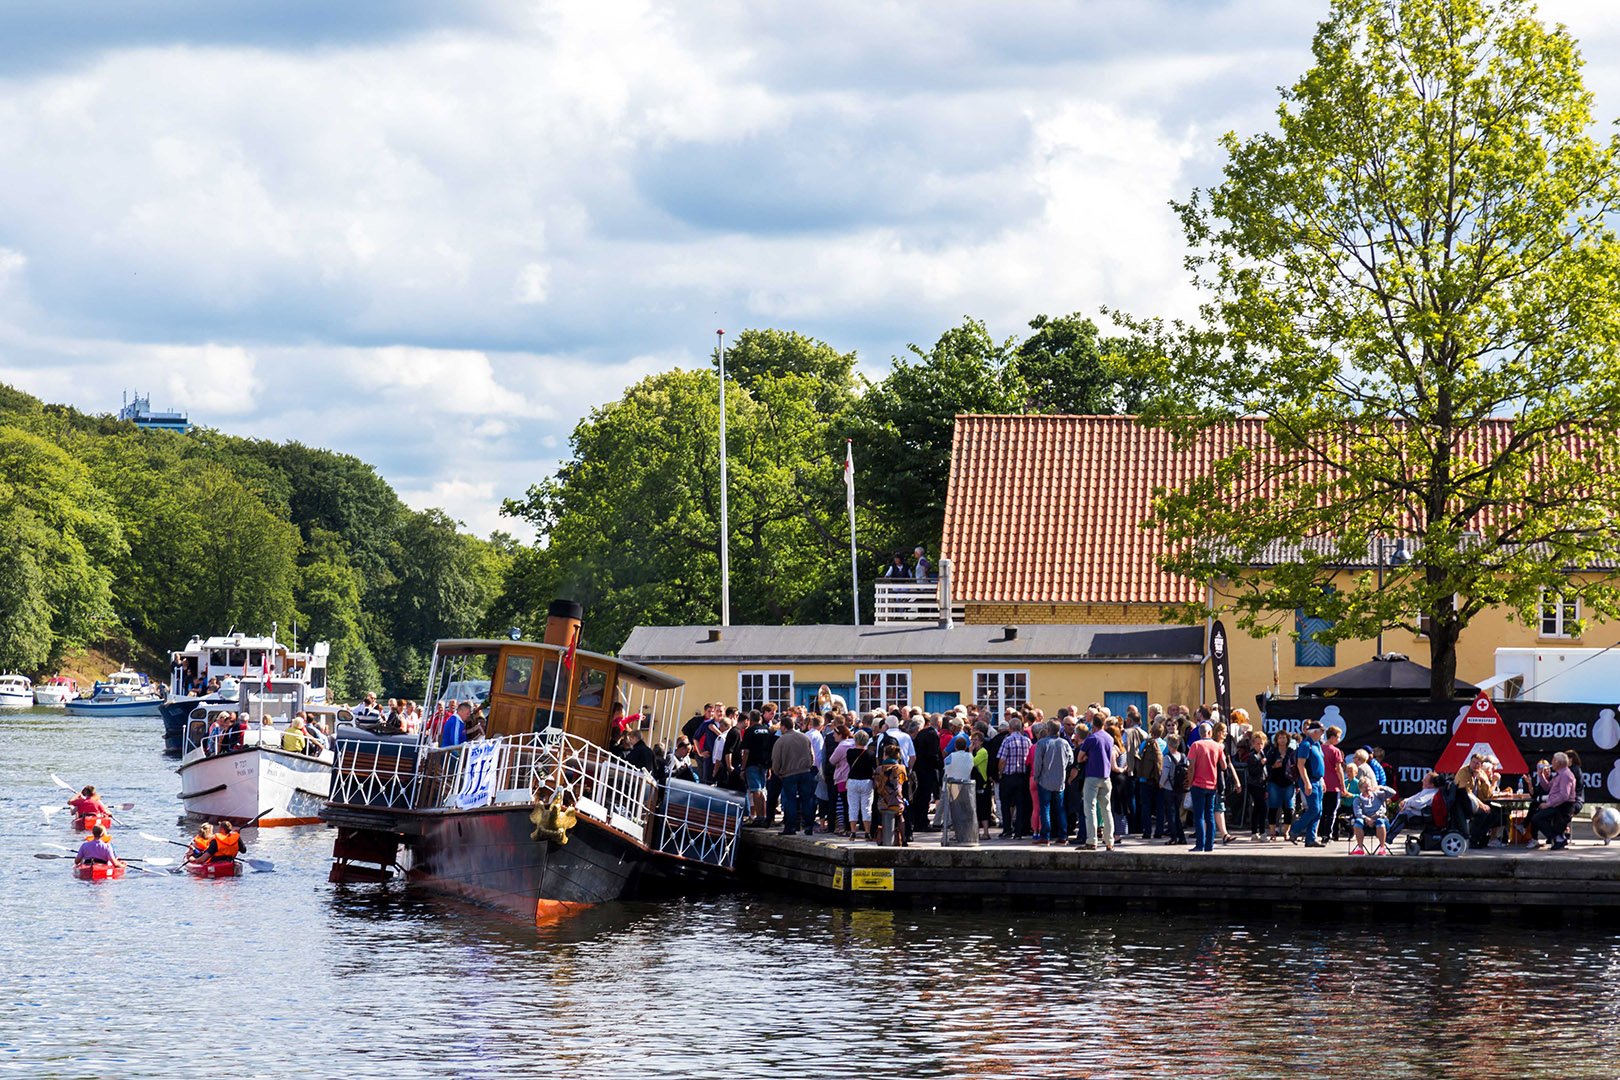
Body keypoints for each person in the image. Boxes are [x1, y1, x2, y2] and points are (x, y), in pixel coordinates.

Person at [1186, 720, 1230, 852]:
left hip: (1198, 784)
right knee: (1210, 815)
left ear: (1200, 733)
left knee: (1199, 816)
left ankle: (1200, 844)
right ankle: (1209, 845)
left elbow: (1191, 766)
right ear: (1210, 732)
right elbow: (1224, 766)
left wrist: (1189, 782)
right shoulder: (1217, 746)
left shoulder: (1195, 745)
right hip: (1212, 785)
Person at [771, 717, 818, 837]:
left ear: (783, 727)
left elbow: (776, 760)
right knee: (807, 799)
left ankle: (790, 826)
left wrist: (778, 772)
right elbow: (812, 755)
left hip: (788, 774)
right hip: (805, 772)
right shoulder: (804, 737)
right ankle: (808, 826)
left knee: (790, 800)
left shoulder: (781, 741)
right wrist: (808, 766)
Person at [1076, 713, 1117, 851]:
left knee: (1090, 809)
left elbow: (1079, 758)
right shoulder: (1110, 738)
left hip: (1092, 776)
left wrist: (1086, 757)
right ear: (1104, 723)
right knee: (1106, 810)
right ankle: (1109, 842)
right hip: (1106, 777)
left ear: (1093, 724)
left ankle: (1092, 840)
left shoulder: (1091, 738)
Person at [1033, 720, 1073, 845]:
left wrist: (1036, 776)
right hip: (1059, 780)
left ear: (1048, 729)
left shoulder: (1042, 743)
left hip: (1045, 779)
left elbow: (1038, 762)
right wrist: (1062, 766)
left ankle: (1045, 835)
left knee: (1045, 808)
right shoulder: (1064, 742)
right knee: (1060, 808)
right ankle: (1062, 835)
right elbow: (1071, 759)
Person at [1531, 752, 1578, 849]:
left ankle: (1558, 838)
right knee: (1536, 814)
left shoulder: (1565, 775)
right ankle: (1558, 837)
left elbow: (1564, 796)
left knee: (1538, 818)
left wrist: (1548, 804)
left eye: (1553, 760)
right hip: (1557, 805)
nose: (1551, 763)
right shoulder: (1559, 774)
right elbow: (1547, 787)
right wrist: (1541, 775)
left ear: (1559, 763)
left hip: (1563, 807)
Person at [1290, 721, 1327, 848]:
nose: (1323, 734)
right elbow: (1301, 765)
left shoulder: (1317, 745)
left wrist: (1322, 779)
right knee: (1314, 808)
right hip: (1310, 780)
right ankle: (1294, 830)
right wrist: (1306, 782)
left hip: (1317, 780)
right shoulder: (1306, 745)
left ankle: (1311, 839)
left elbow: (1318, 764)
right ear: (1315, 731)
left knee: (1318, 811)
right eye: (1321, 731)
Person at [996, 717, 1033, 839]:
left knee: (1005, 804)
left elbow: (1002, 760)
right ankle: (1019, 831)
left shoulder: (1007, 741)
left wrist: (1000, 773)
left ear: (1010, 728)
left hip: (1008, 776)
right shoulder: (1027, 741)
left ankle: (1007, 829)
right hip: (1022, 776)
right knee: (1020, 805)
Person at [740, 710, 776, 826]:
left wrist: (743, 768)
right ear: (760, 718)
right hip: (765, 764)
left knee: (756, 790)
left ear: (750, 719)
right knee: (762, 790)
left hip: (752, 763)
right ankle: (764, 815)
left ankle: (759, 817)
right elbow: (772, 750)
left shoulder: (749, 731)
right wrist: (770, 767)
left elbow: (746, 751)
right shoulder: (768, 731)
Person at [1349, 766, 1395, 855]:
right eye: (1365, 787)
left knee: (1380, 821)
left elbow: (1393, 793)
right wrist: (1367, 819)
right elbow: (1358, 814)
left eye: (1368, 787)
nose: (1367, 789)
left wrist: (1381, 787)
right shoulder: (1357, 800)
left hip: (1379, 818)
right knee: (1358, 821)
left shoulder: (1378, 795)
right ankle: (1360, 847)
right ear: (1360, 788)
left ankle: (1382, 847)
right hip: (1366, 821)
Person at [872, 744, 909, 846]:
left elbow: (875, 786)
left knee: (880, 815)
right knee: (900, 816)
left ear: (886, 755)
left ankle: (882, 837)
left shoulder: (879, 769)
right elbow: (904, 784)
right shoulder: (902, 768)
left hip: (883, 802)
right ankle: (904, 838)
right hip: (897, 801)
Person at [845, 731, 877, 840]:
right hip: (866, 781)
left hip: (853, 780)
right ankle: (867, 832)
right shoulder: (870, 754)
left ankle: (853, 832)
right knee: (866, 807)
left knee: (853, 807)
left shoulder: (849, 752)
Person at [1265, 730, 1295, 840]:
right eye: (1280, 738)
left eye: (1284, 737)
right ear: (1276, 740)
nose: (1282, 740)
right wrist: (1273, 766)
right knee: (1273, 807)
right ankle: (1273, 832)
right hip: (1274, 782)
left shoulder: (1291, 752)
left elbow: (1296, 767)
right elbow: (1266, 767)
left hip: (1288, 782)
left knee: (1289, 808)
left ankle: (1286, 832)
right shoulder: (1272, 752)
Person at [1320, 725, 1347, 842]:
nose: (1339, 740)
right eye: (1338, 737)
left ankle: (1321, 833)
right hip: (1333, 786)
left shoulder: (1319, 748)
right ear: (1332, 737)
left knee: (1322, 811)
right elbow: (1339, 769)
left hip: (1321, 785)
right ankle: (1327, 834)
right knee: (1331, 812)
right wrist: (1343, 785)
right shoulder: (1335, 751)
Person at [1160, 734, 1187, 846]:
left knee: (1171, 814)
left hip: (1169, 788)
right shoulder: (1183, 756)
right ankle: (1182, 837)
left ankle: (1173, 837)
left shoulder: (1167, 758)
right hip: (1180, 788)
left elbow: (1165, 773)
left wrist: (1161, 783)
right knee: (1177, 813)